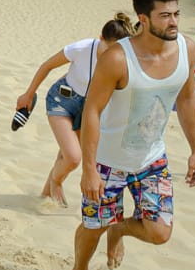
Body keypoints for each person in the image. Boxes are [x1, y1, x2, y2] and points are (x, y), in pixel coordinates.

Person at [68, 0, 195, 270]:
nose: (174, 22)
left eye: (176, 14)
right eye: (165, 16)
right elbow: (92, 111)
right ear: (143, 20)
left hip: (152, 158)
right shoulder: (117, 58)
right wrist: (88, 168)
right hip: (108, 160)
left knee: (159, 232)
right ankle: (79, 269)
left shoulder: (188, 49)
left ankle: (121, 228)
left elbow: (186, 99)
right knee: (93, 226)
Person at [16, 14, 136, 206]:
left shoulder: (121, 60)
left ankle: (45, 198)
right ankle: (56, 181)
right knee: (73, 158)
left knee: (64, 155)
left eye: (117, 50)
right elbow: (47, 65)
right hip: (61, 100)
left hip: (89, 110)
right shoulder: (82, 48)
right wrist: (28, 94)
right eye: (108, 48)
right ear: (101, 38)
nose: (111, 55)